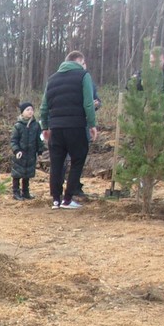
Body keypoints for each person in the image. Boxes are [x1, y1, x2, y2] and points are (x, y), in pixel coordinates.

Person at [39, 50, 97, 211]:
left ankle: (56, 200)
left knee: (56, 163)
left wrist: (45, 127)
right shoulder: (83, 76)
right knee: (77, 161)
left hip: (56, 128)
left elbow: (44, 106)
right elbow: (88, 104)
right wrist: (92, 124)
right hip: (76, 126)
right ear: (79, 61)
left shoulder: (52, 79)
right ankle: (68, 199)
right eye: (83, 63)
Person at [10, 102, 44, 201]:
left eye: (32, 110)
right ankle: (16, 192)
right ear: (22, 112)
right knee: (17, 174)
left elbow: (39, 140)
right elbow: (13, 140)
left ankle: (26, 192)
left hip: (31, 155)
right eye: (27, 110)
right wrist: (16, 151)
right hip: (20, 155)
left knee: (27, 174)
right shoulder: (18, 126)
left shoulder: (36, 125)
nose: (30, 112)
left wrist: (40, 152)